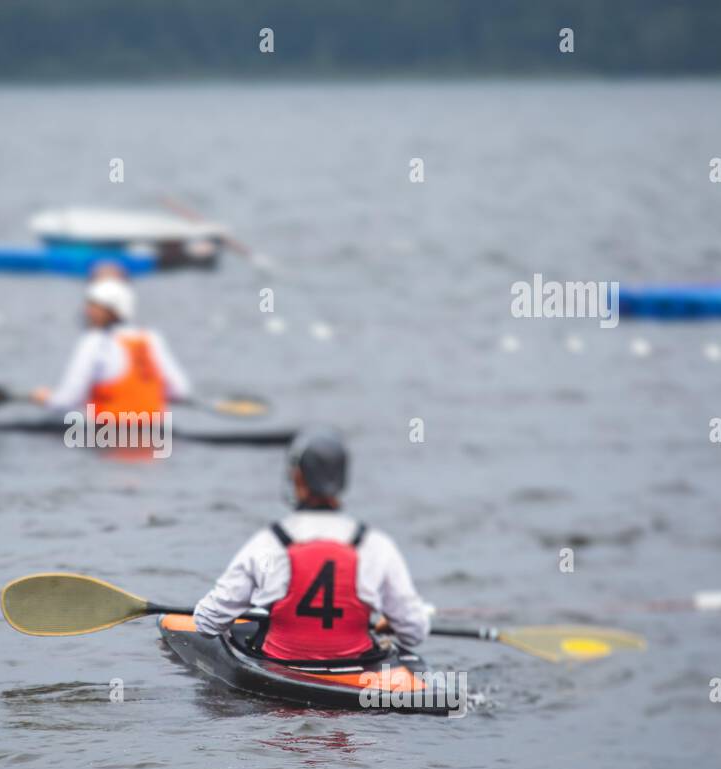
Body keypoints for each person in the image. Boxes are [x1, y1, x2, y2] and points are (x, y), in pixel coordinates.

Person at [193, 429, 430, 660]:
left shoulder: (270, 543)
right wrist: (393, 622)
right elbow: (415, 632)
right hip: (355, 668)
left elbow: (206, 623)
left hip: (283, 667)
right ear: (343, 480)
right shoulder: (374, 545)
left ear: (297, 477)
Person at [30, 272, 191, 419]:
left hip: (108, 438)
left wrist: (46, 398)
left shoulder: (95, 342)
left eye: (94, 307)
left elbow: (66, 400)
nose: (88, 312)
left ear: (113, 311)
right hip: (153, 433)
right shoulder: (150, 338)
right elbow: (180, 391)